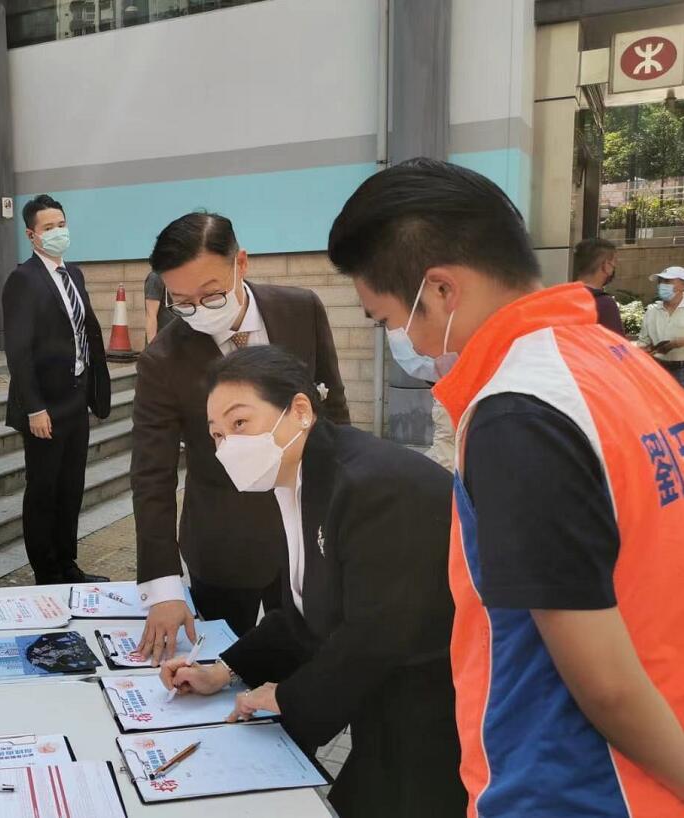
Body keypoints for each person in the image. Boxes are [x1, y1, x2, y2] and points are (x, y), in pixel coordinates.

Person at [331, 157, 684, 814]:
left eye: (385, 319)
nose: (396, 341)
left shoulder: (519, 412)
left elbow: (602, 682)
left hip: (577, 786)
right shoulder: (623, 363)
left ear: (439, 291)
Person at [160, 346, 464, 818]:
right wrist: (222, 670)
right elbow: (304, 613)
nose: (228, 447)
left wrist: (285, 697)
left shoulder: (372, 486)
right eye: (216, 435)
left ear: (299, 410)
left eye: (240, 424)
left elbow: (375, 634)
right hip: (383, 700)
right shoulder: (297, 481)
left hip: (435, 710)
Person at [132, 212, 349, 659]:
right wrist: (163, 587)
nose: (200, 311)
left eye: (211, 295)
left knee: (306, 659)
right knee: (219, 666)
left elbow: (335, 415)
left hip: (310, 533)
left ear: (241, 264)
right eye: (183, 302)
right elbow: (151, 474)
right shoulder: (164, 359)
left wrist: (347, 512)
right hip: (223, 544)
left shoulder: (300, 310)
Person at [2, 194, 112, 584]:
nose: (58, 232)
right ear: (32, 235)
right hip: (45, 407)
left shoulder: (74, 274)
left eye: (61, 224)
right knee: (44, 491)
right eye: (49, 228)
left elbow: (84, 332)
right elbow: (18, 351)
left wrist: (93, 392)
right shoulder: (23, 280)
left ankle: (68, 565)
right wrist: (34, 408)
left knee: (71, 489)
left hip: (75, 400)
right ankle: (46, 573)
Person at [639, 266, 684, 387]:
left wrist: (676, 343)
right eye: (660, 282)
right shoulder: (651, 311)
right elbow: (643, 342)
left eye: (667, 281)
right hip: (658, 370)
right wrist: (644, 351)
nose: (661, 285)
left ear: (682, 285)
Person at [572, 237, 624, 335]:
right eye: (614, 262)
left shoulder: (560, 298)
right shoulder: (604, 303)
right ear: (605, 265)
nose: (614, 267)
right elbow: (616, 346)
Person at [143, 269, 174, 344]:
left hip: (177, 336)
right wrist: (152, 346)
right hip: (163, 339)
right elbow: (151, 315)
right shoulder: (155, 277)